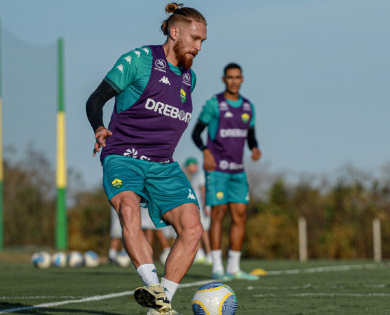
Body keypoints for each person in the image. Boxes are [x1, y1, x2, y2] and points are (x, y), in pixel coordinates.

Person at [85, 3, 207, 314]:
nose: (198, 47)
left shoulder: (189, 79)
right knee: (128, 209)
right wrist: (99, 126)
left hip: (163, 165)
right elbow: (96, 98)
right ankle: (152, 285)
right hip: (123, 157)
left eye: (202, 42)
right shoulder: (139, 61)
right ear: (174, 32)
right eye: (194, 39)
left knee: (193, 228)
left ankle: (160, 305)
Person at [191, 62, 261, 281]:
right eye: (230, 77)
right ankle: (217, 267)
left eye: (237, 77)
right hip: (217, 170)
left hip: (238, 172)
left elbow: (250, 135)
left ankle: (234, 267)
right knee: (218, 215)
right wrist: (205, 151)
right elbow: (196, 133)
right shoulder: (214, 104)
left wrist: (255, 148)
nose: (233, 81)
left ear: (242, 80)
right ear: (224, 80)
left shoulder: (248, 107)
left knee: (240, 215)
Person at [183, 157, 212, 265]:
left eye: (189, 166)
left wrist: (205, 206)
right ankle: (200, 253)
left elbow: (203, 190)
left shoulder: (200, 175)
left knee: (204, 231)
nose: (188, 168)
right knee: (197, 230)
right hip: (197, 207)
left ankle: (209, 254)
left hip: (202, 206)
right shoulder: (194, 176)